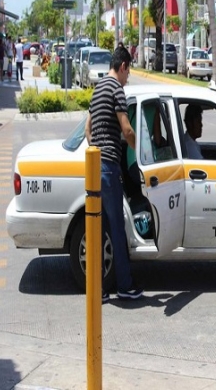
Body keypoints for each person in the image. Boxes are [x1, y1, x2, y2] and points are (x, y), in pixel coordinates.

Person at [85, 46, 143, 303]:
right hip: (109, 166)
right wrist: (141, 153)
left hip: (95, 167)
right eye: (128, 72)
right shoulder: (116, 89)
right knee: (117, 228)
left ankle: (98, 288)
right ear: (122, 67)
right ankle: (125, 286)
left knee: (101, 229)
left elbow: (88, 129)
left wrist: (95, 149)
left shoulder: (98, 89)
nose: (127, 77)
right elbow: (127, 129)